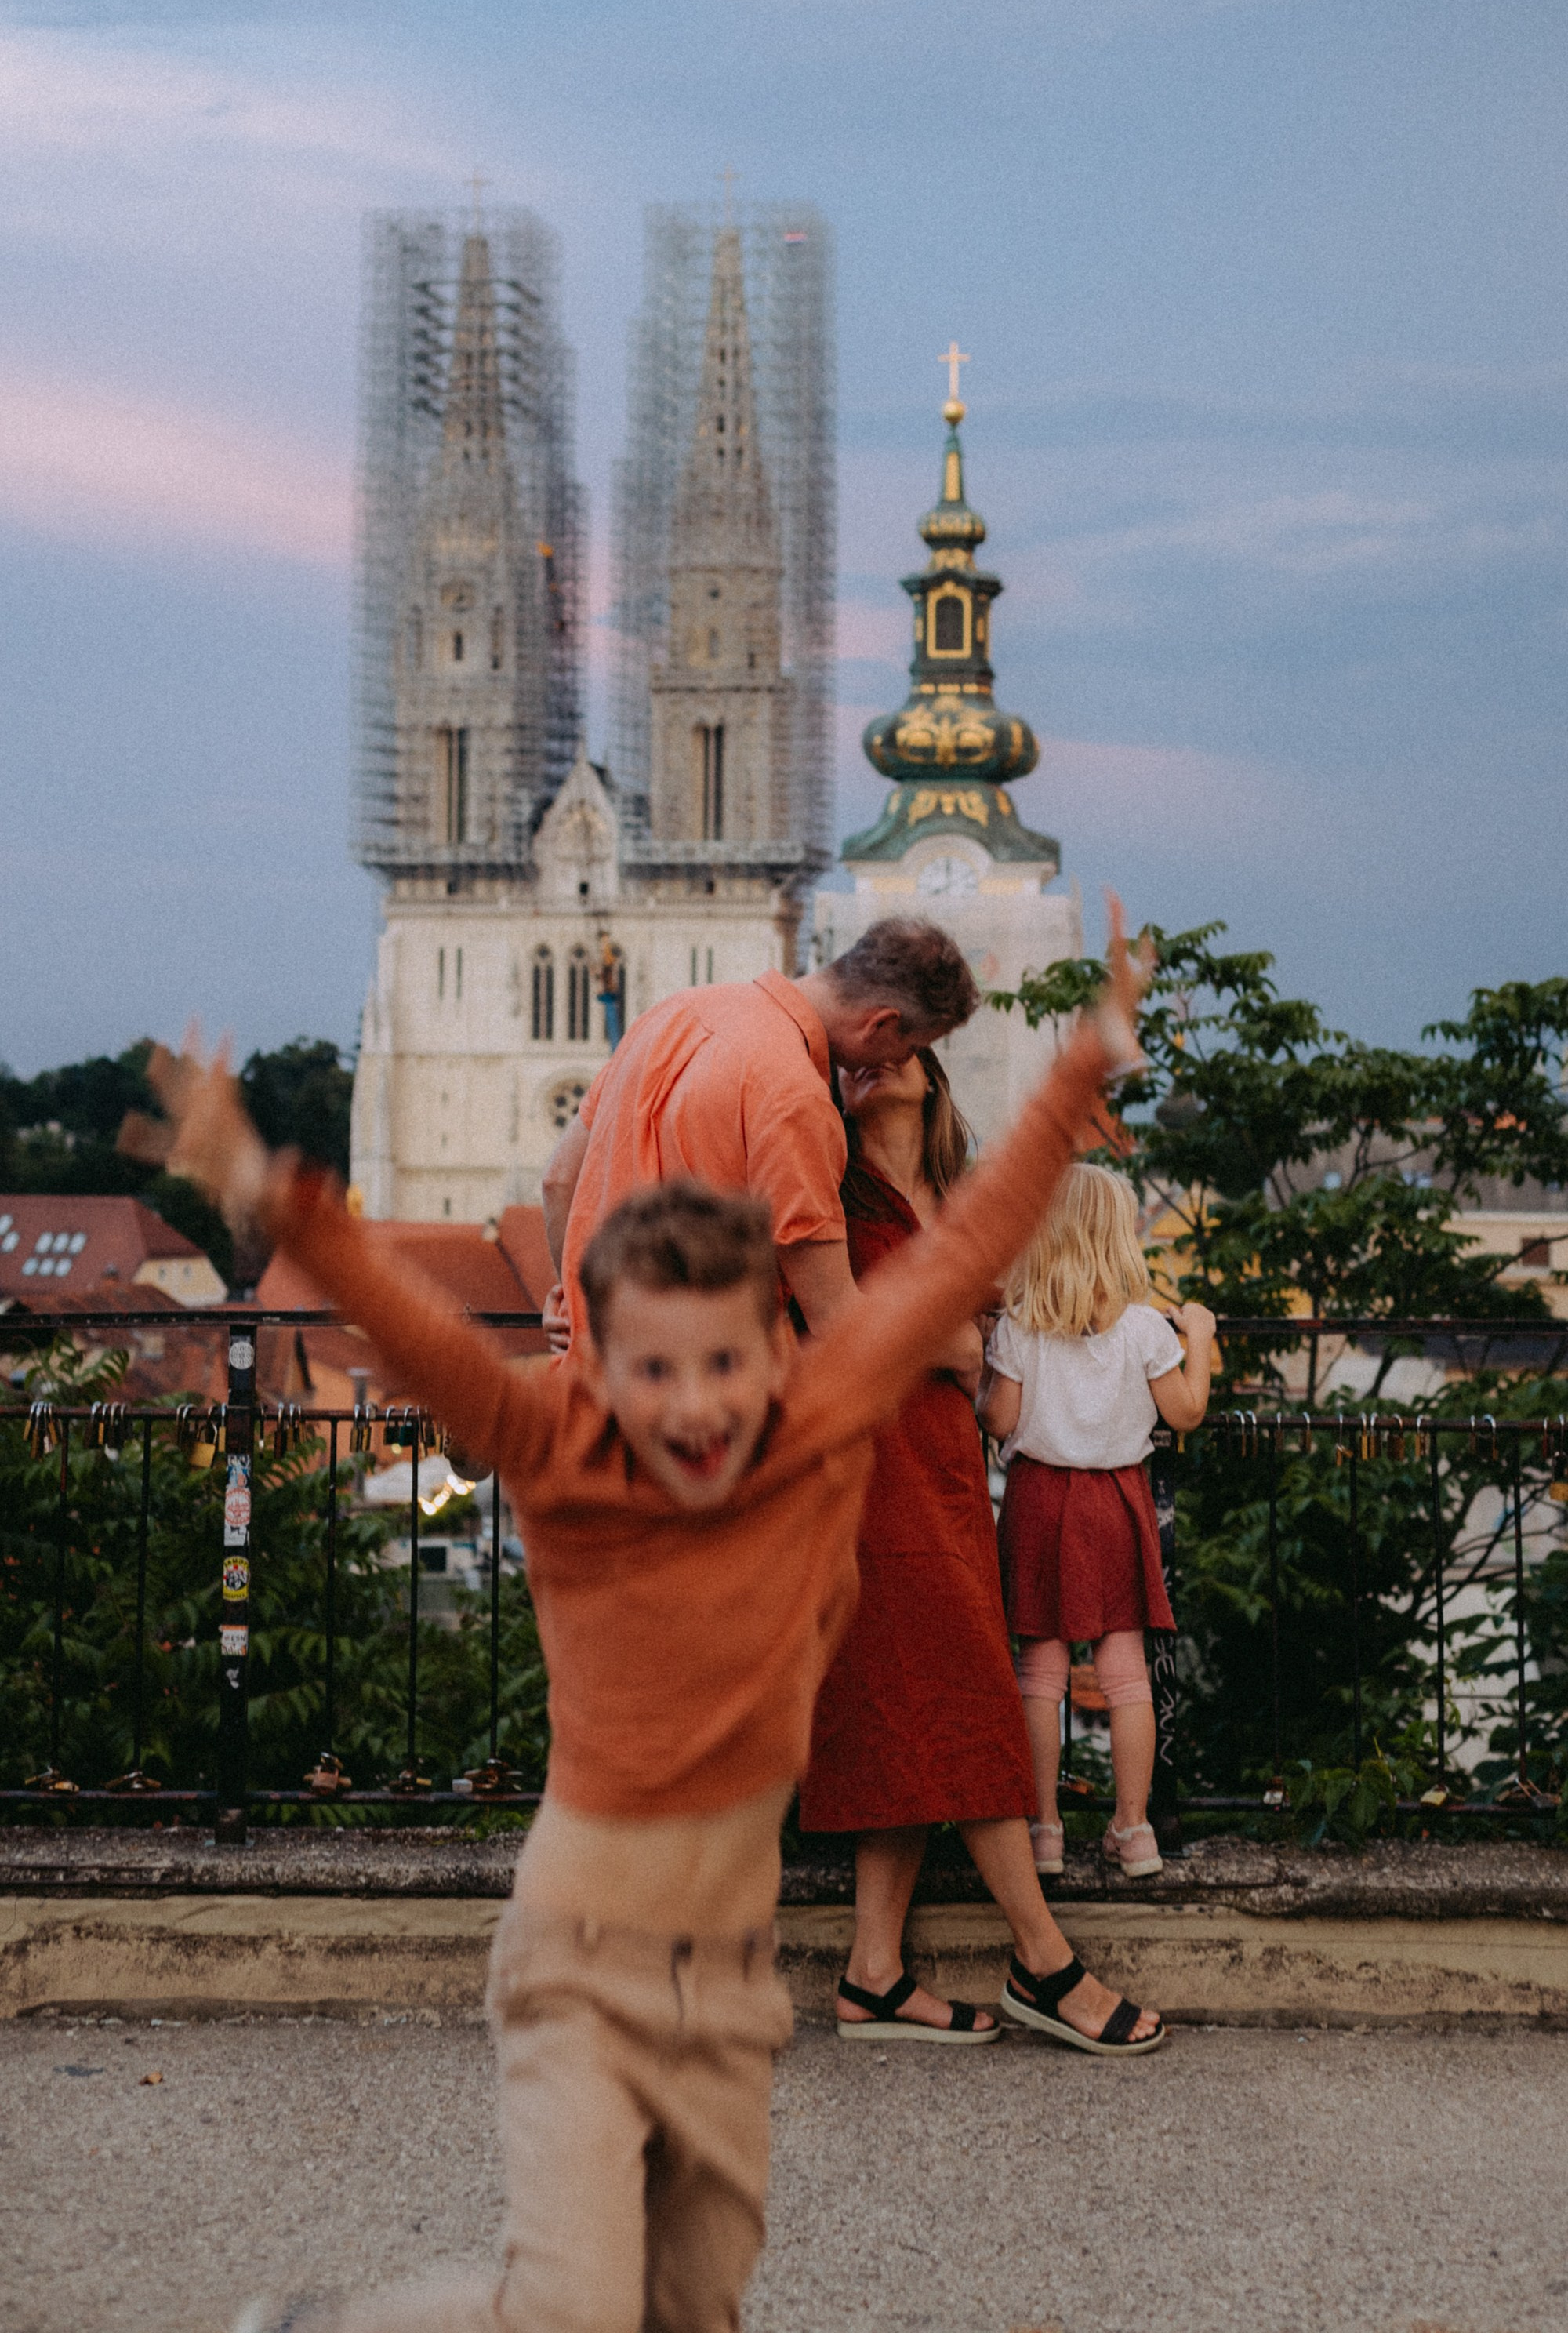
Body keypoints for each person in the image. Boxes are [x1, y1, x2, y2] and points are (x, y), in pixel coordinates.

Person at [143, 903, 1157, 2333]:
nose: (694, 1405)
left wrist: (1078, 1074)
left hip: (730, 1998)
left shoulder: (810, 1427)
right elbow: (418, 1336)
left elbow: (953, 1255)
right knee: (568, 2312)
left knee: (692, 2310)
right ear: (601, 1366)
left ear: (778, 1353)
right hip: (580, 1961)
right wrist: (266, 1183)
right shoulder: (559, 1445)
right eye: (654, 1369)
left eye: (726, 1362)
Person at [801, 1048, 1135, 2048]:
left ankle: (872, 1974)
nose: (876, 1059)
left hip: (943, 1463)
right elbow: (846, 1327)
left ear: (934, 1072)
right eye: (855, 1055)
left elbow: (994, 1328)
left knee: (909, 1704)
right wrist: (944, 1338)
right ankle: (1045, 1962)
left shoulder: (953, 1189)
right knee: (966, 1698)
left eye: (899, 1044)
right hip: (870, 1468)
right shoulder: (827, 1185)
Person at [540, 917, 981, 1351]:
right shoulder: (796, 1099)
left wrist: (580, 1308)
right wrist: (960, 1350)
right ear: (881, 1024)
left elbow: (559, 1181)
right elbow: (834, 1317)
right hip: (697, 1395)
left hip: (600, 1376)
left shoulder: (673, 1013)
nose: (905, 1058)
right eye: (913, 1047)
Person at [977, 1164, 1216, 1882]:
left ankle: (1043, 1833)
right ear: (1121, 1238)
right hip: (1118, 1501)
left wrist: (988, 1364)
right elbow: (1186, 1413)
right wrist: (1198, 1334)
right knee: (1126, 1675)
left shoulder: (1022, 1326)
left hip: (1040, 1501)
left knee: (1040, 1670)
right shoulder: (1146, 1328)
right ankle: (1134, 1829)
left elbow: (998, 1419)